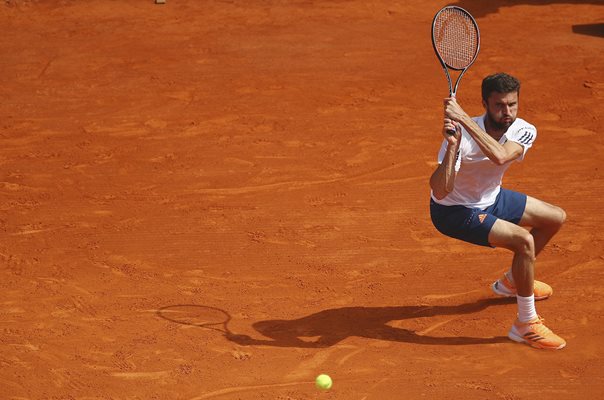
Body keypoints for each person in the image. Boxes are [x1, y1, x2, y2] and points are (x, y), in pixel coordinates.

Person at [429, 72, 567, 350]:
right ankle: (525, 325)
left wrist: (464, 119)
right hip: (455, 211)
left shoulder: (522, 128)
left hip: (492, 198)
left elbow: (501, 155)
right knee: (524, 242)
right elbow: (440, 190)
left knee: (555, 217)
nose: (507, 112)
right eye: (500, 106)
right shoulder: (460, 136)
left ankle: (513, 282)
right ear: (485, 104)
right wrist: (454, 146)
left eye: (512, 105)